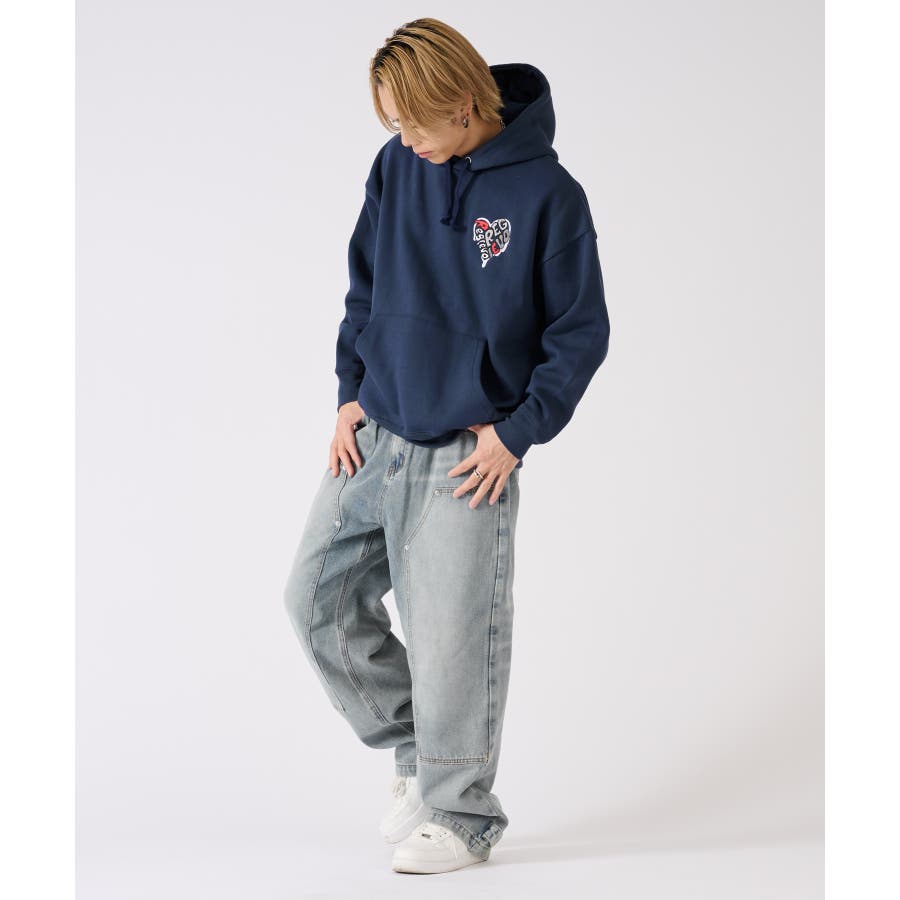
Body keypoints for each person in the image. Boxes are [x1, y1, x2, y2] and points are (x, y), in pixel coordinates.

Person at [283, 17, 610, 875]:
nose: (404, 140)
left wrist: (517, 432)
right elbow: (364, 287)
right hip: (376, 433)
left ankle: (462, 815)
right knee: (314, 601)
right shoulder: (397, 167)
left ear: (464, 103)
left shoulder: (549, 195)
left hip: (467, 454)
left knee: (453, 641)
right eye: (391, 123)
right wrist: (349, 392)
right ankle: (417, 756)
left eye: (414, 123)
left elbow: (580, 333)